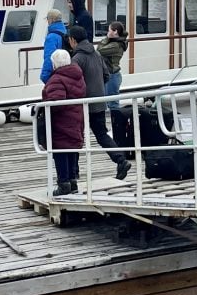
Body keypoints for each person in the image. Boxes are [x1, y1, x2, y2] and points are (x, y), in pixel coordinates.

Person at [68, 25, 131, 180]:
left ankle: (73, 173)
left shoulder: (76, 59)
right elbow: (106, 75)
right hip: (99, 101)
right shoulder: (96, 54)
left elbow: (74, 82)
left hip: (83, 104)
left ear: (73, 40)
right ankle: (120, 160)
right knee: (102, 134)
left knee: (75, 137)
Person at [40, 49, 85, 195]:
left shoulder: (57, 79)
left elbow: (56, 102)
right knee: (72, 150)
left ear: (55, 64)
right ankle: (72, 182)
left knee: (60, 151)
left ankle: (63, 183)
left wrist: (42, 109)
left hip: (61, 121)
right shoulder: (78, 76)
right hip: (76, 118)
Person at [96, 21, 127, 111]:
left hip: (112, 76)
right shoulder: (115, 42)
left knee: (113, 104)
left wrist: (107, 38)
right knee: (107, 101)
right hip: (110, 75)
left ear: (115, 32)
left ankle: (116, 122)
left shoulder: (116, 45)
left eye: (109, 30)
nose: (107, 32)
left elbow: (99, 50)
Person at [39, 9, 68, 83]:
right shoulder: (65, 33)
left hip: (55, 76)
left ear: (51, 20)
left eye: (47, 19)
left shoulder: (51, 37)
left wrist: (44, 77)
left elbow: (49, 58)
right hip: (66, 74)